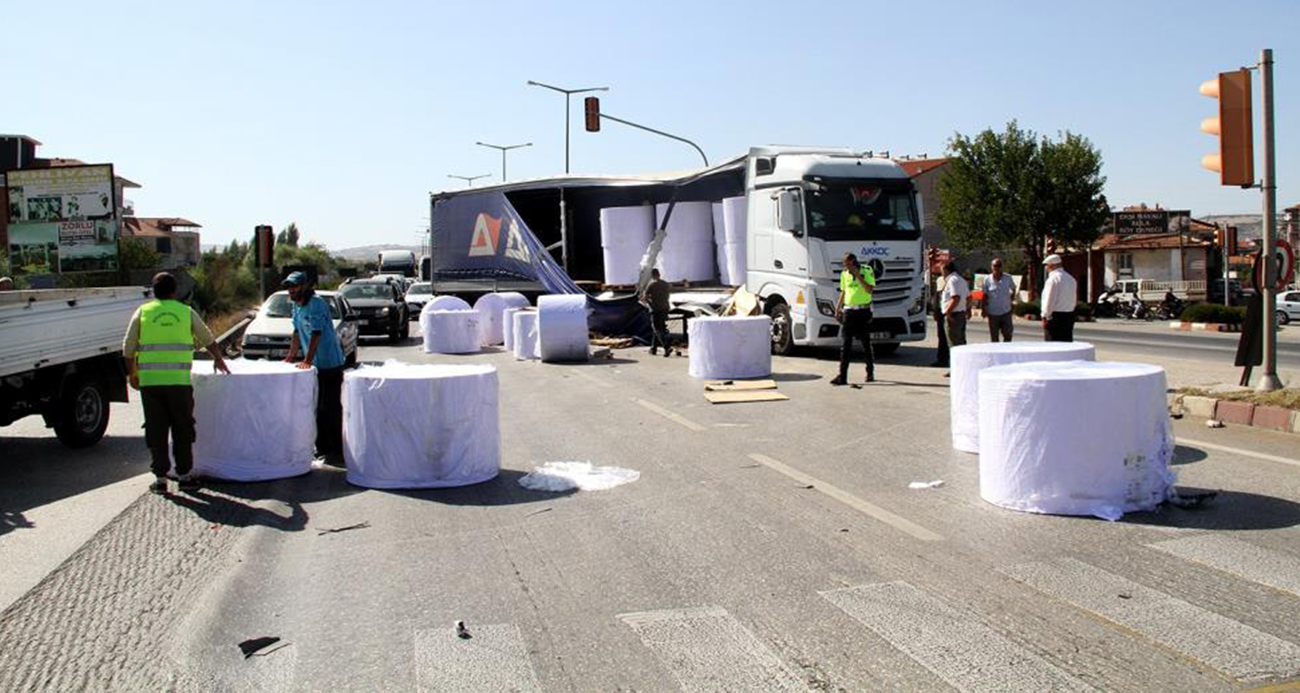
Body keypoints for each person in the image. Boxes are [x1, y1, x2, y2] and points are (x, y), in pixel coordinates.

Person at [123, 272, 229, 495]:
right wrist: (218, 359)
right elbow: (208, 338)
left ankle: (160, 479)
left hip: (150, 385)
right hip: (179, 384)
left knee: (156, 430)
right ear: (175, 291)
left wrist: (132, 374)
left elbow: (128, 347)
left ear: (154, 291)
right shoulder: (186, 312)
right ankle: (185, 476)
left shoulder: (143, 312)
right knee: (182, 428)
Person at [283, 271, 347, 462]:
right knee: (315, 407)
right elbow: (296, 331)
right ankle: (323, 447)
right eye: (289, 287)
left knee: (329, 408)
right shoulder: (296, 305)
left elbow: (316, 334)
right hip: (315, 367)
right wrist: (290, 356)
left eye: (294, 286)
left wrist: (308, 360)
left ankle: (337, 448)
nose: (291, 290)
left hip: (330, 364)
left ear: (304, 286)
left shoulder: (316, 303)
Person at [831, 252, 876, 386]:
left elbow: (869, 289)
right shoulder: (844, 274)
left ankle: (870, 371)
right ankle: (842, 375)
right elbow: (843, 291)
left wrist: (857, 275)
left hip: (863, 310)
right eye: (845, 265)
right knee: (846, 344)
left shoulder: (867, 270)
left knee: (865, 342)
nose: (847, 268)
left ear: (854, 262)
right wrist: (837, 308)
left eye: (849, 265)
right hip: (849, 310)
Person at [1041, 254, 1078, 342]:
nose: (1046, 268)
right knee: (1066, 343)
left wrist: (1045, 316)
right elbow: (1074, 299)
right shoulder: (1071, 278)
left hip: (1055, 317)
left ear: (1051, 265)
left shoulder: (1052, 280)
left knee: (1053, 345)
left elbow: (1049, 300)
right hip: (1069, 315)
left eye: (1046, 265)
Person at [981, 258, 1016, 342]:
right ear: (991, 267)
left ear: (1001, 267)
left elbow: (1013, 289)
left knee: (1008, 334)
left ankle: (1006, 352)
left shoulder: (1008, 277)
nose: (997, 268)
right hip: (993, 312)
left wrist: (1011, 300)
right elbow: (984, 295)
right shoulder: (987, 279)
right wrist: (983, 309)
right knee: (994, 337)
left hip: (1006, 311)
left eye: (999, 265)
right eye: (995, 266)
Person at [642, 268, 673, 357]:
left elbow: (645, 297)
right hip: (665, 308)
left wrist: (649, 302)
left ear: (652, 275)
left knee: (657, 329)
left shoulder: (651, 284)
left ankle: (667, 346)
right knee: (660, 327)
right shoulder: (665, 284)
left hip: (655, 309)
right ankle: (653, 348)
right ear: (659, 274)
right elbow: (668, 294)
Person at [941, 262, 969, 348]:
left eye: (942, 271)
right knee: (961, 343)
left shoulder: (952, 280)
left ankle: (956, 361)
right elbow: (970, 297)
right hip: (960, 313)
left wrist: (948, 313)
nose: (942, 273)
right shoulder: (961, 279)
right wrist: (966, 308)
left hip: (954, 315)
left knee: (954, 344)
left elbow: (956, 298)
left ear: (945, 269)